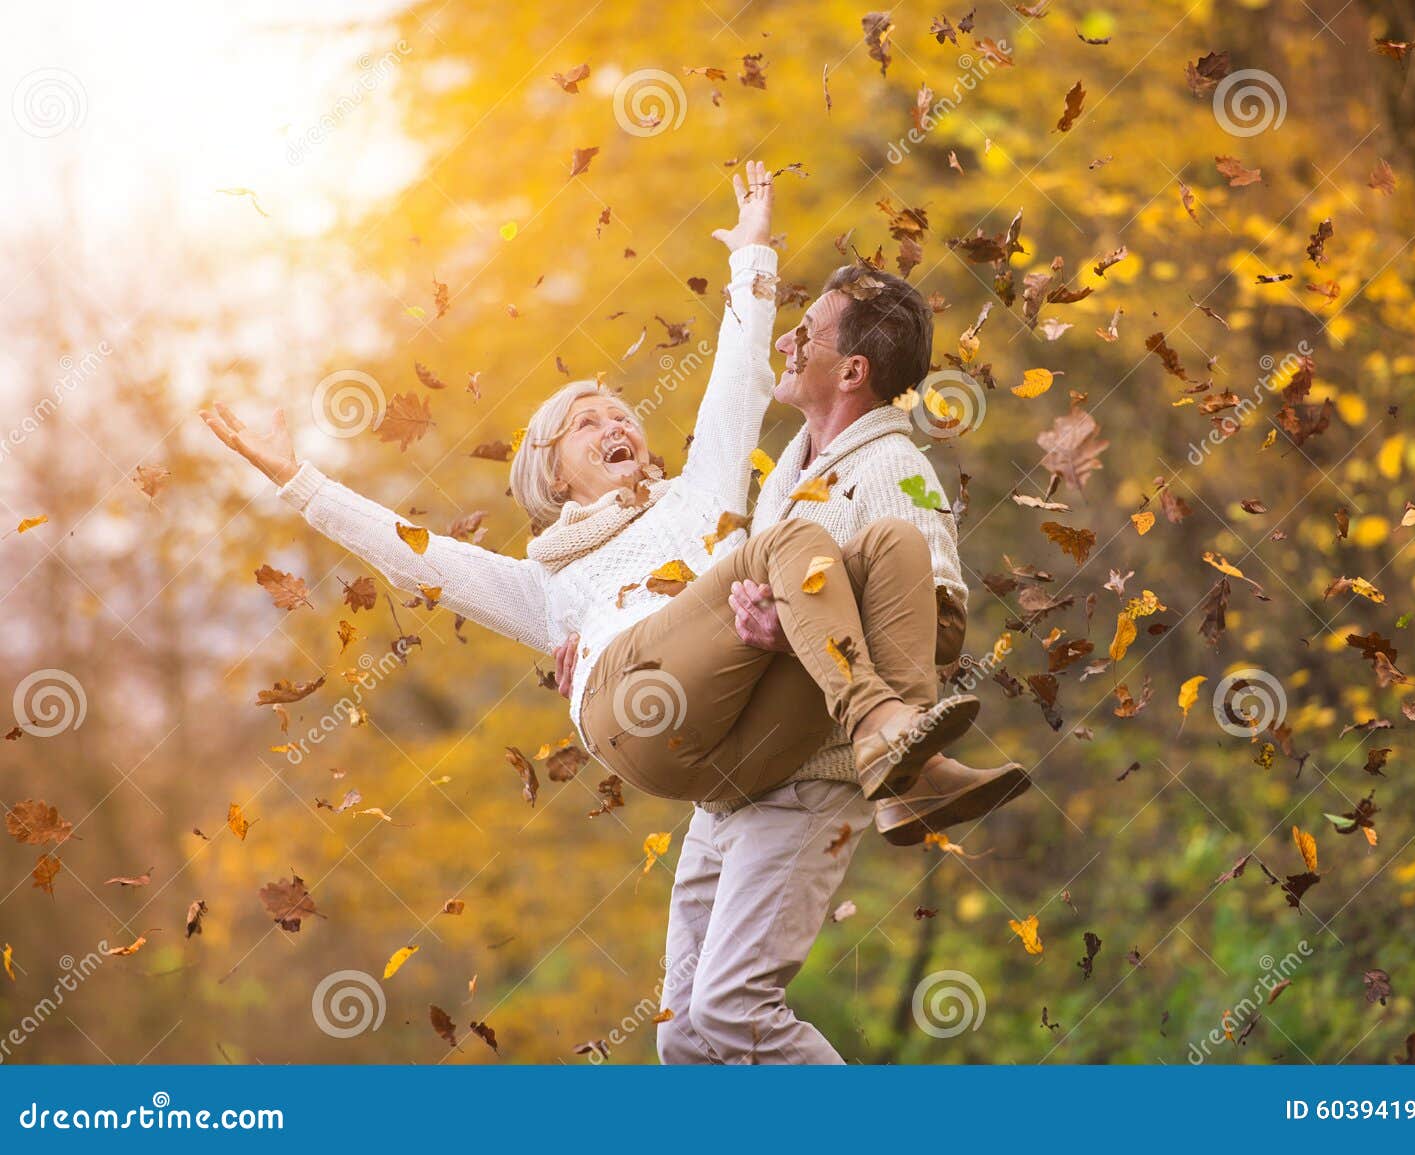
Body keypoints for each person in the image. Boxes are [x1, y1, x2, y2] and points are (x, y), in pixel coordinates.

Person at [198, 162, 986, 817]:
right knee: (794, 545)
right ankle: (883, 724)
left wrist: (753, 252)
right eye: (585, 423)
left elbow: (739, 371)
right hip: (636, 711)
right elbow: (415, 558)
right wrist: (296, 479)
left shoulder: (695, 494)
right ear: (551, 472)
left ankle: (905, 766)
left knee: (893, 542)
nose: (614, 423)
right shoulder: (548, 585)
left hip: (735, 748)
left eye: (620, 413)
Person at [554, 262, 1033, 1064]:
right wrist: (603, 627)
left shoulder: (893, 469)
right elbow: (704, 569)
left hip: (814, 775)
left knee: (734, 1009)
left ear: (852, 370)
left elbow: (937, 624)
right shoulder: (789, 468)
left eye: (806, 332)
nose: (787, 339)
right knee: (685, 1038)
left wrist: (800, 630)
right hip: (738, 782)